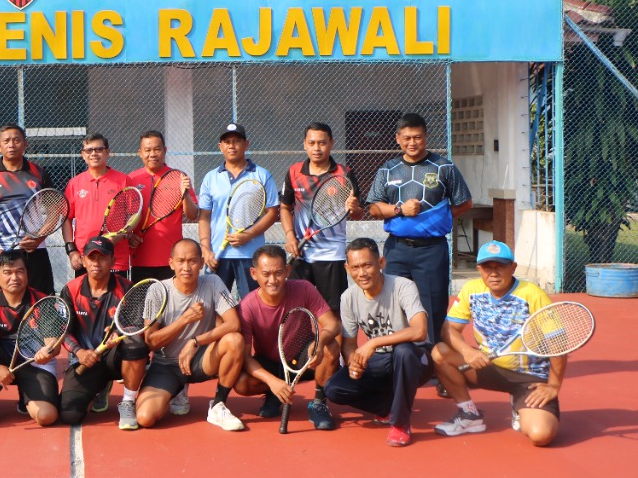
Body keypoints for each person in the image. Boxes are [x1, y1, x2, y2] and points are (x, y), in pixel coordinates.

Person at [431, 241, 564, 446]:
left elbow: (558, 343)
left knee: (541, 435)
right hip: (488, 367)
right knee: (440, 352)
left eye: (500, 266)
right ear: (479, 270)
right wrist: (467, 352)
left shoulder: (533, 294)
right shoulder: (471, 290)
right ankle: (469, 415)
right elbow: (449, 330)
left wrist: (554, 385)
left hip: (529, 378)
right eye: (487, 267)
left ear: (513, 267)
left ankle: (520, 406)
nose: (493, 273)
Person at [364, 112, 472, 348]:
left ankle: (434, 361)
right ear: (397, 139)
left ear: (426, 137)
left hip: (432, 250)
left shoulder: (444, 167)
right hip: (397, 248)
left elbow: (465, 202)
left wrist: (438, 219)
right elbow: (373, 207)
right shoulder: (388, 169)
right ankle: (400, 358)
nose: (412, 143)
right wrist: (399, 210)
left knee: (432, 305)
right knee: (395, 302)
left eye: (418, 137)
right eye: (407, 138)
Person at [324, 238, 429, 447]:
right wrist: (353, 362)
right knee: (334, 388)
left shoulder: (402, 286)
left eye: (367, 265)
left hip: (416, 359)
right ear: (347, 268)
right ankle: (388, 406)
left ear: (381, 262)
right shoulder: (348, 298)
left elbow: (420, 331)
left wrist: (374, 343)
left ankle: (400, 423)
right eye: (355, 267)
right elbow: (349, 344)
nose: (361, 273)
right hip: (381, 361)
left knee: (404, 351)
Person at [135, 239, 246, 431]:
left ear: (202, 263)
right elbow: (151, 342)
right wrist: (184, 319)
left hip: (200, 360)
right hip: (166, 364)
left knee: (234, 340)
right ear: (171, 263)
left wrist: (195, 341)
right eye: (181, 261)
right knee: (145, 418)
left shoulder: (212, 282)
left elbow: (234, 323)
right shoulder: (157, 290)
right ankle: (176, 390)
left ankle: (218, 406)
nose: (186, 267)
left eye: (193, 261)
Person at [231, 245, 341, 430]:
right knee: (241, 383)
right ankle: (274, 393)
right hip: (270, 364)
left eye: (279, 273)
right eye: (266, 274)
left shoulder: (304, 288)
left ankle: (319, 403)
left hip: (303, 359)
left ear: (288, 271)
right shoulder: (247, 306)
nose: (272, 280)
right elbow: (246, 357)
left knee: (331, 347)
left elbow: (332, 324)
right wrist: (272, 382)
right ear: (253, 273)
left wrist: (319, 344)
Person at [0, 250, 60, 428]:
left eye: (19, 271)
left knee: (47, 417)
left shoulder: (43, 302)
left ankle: (27, 394)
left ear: (27, 274)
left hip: (35, 364)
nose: (14, 277)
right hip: (3, 360)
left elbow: (53, 344)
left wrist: (47, 352)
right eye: (7, 272)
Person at [58, 237, 147, 430]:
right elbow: (64, 331)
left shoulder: (128, 289)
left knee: (135, 342)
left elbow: (136, 325)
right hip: (87, 359)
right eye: (91, 258)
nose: (96, 263)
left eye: (102, 258)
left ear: (113, 261)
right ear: (83, 260)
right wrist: (80, 353)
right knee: (70, 414)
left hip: (116, 356)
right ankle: (98, 386)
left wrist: (121, 333)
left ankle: (128, 401)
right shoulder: (71, 290)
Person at [279, 122, 363, 313]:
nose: (317, 148)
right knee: (296, 312)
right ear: (304, 144)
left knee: (333, 312)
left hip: (332, 254)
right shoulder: (294, 171)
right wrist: (290, 235)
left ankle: (332, 344)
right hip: (301, 254)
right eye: (312, 143)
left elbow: (358, 215)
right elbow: (284, 207)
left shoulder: (345, 173)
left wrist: (354, 208)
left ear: (331, 143)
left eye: (322, 143)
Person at [197, 123, 280, 296]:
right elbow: (204, 216)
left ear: (246, 144)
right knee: (215, 308)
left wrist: (249, 235)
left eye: (236, 141)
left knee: (250, 305)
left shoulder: (262, 175)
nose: (232, 145)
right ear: (220, 147)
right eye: (227, 142)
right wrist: (205, 250)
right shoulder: (210, 178)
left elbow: (272, 213)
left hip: (250, 254)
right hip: (217, 256)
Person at [0, 124, 55, 296]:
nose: (11, 145)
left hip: (34, 251)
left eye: (17, 140)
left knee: (41, 303)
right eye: (6, 141)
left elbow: (56, 210)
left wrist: (39, 238)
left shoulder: (39, 172)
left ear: (25, 145)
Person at [127, 130, 198, 282]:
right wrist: (128, 235)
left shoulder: (179, 177)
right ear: (140, 153)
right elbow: (123, 217)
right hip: (140, 260)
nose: (152, 154)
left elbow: (193, 215)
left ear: (165, 151)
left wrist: (185, 194)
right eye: (147, 150)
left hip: (172, 260)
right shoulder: (131, 179)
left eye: (157, 149)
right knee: (142, 305)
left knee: (171, 305)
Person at [61, 133, 133, 278]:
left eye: (99, 149)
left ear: (107, 152)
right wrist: (72, 251)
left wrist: (119, 236)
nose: (94, 153)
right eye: (89, 150)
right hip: (85, 258)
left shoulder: (124, 181)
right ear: (83, 154)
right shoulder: (74, 183)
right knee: (84, 300)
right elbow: (66, 219)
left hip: (115, 259)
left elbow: (134, 216)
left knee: (116, 300)